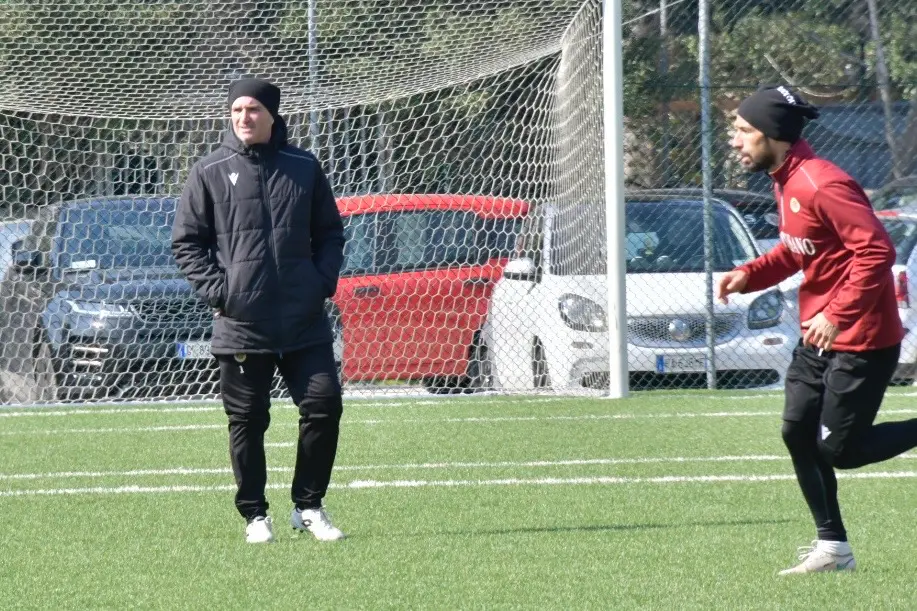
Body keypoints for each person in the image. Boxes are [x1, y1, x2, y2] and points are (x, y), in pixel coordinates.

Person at [720, 85, 917, 574]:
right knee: (796, 431)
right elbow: (797, 249)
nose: (734, 140)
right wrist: (752, 272)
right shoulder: (785, 178)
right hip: (818, 335)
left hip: (861, 338)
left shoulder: (822, 182)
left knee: (840, 450)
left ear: (775, 137)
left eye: (744, 130)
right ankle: (833, 549)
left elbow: (876, 252)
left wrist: (836, 313)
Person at [172, 77, 346, 544]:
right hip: (242, 326)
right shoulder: (209, 171)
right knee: (248, 420)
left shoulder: (304, 166)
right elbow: (187, 244)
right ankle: (255, 515)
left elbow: (330, 233)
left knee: (324, 404)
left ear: (272, 115)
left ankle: (308, 506)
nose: (243, 118)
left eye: (252, 110)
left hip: (304, 320)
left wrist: (320, 282)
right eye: (236, 110)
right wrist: (224, 294)